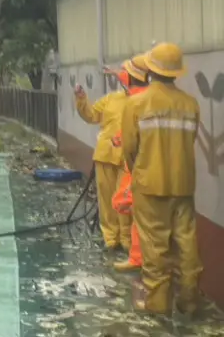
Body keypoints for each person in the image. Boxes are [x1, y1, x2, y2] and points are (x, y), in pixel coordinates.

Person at [120, 42, 202, 317]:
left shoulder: (136, 103)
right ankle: (189, 301)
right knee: (186, 244)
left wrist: (140, 171)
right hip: (183, 185)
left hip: (149, 185)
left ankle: (158, 306)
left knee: (155, 248)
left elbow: (129, 148)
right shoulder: (191, 104)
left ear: (150, 70)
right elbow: (190, 140)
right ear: (177, 72)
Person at [74, 61, 136, 250]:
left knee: (124, 199)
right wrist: (81, 99)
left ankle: (126, 239)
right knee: (106, 198)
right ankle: (111, 238)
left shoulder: (141, 101)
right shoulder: (111, 99)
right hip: (105, 155)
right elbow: (91, 115)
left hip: (128, 158)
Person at [109, 56, 150, 275]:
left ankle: (144, 261)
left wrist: (119, 140)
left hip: (140, 167)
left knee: (125, 203)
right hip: (157, 168)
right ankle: (138, 256)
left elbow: (131, 137)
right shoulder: (153, 97)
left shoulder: (136, 101)